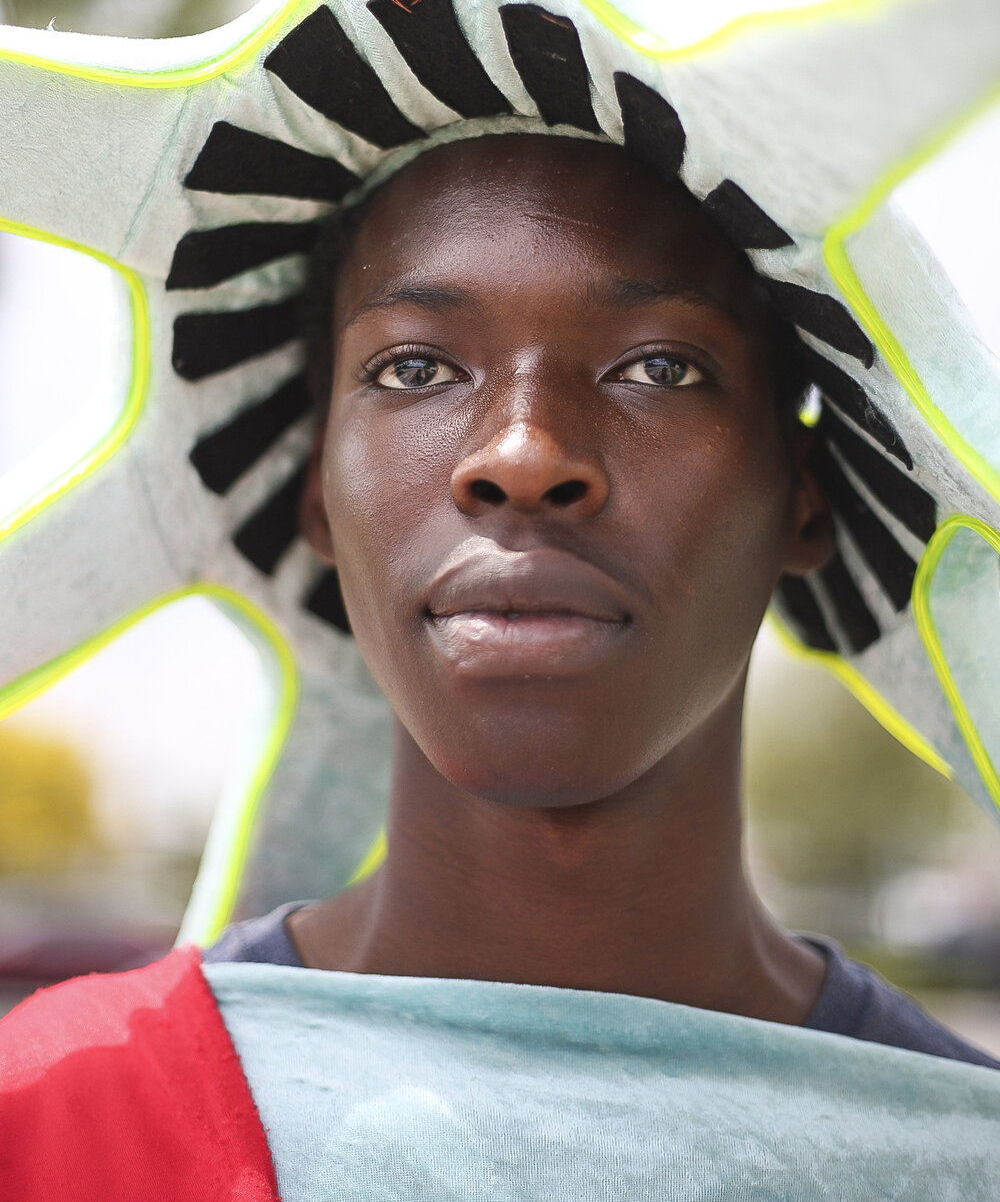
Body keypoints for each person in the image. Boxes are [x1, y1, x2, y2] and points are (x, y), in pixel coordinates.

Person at [5, 132, 998, 1202]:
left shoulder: (962, 1156)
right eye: (415, 368)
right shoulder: (50, 1120)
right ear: (316, 498)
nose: (522, 454)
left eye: (659, 366)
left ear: (802, 494)